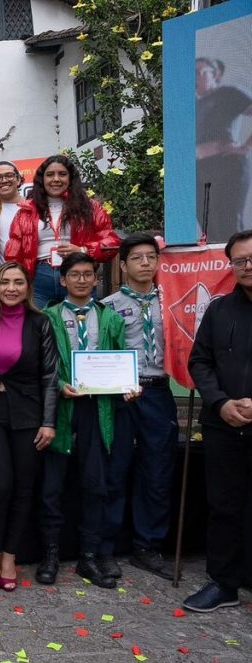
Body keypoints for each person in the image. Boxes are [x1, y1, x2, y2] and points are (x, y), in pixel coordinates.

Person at [38, 252, 132, 590]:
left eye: (87, 274)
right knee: (52, 486)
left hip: (98, 410)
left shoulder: (111, 319)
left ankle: (88, 557)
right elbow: (40, 367)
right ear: (62, 280)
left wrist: (128, 386)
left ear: (96, 279)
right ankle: (49, 554)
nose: (81, 280)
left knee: (95, 485)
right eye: (74, 274)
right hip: (59, 411)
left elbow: (123, 361)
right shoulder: (46, 317)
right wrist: (59, 386)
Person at [0, 261, 57, 591]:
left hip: (29, 415)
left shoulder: (40, 323)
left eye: (18, 282)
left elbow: (50, 375)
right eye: (5, 281)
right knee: (0, 484)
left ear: (28, 288)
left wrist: (49, 421)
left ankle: (10, 555)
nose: (11, 288)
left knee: (23, 488)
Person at [101, 233, 178, 580]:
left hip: (157, 391)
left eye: (151, 257)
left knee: (157, 469)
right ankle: (109, 544)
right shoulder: (109, 306)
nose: (146, 263)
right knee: (115, 468)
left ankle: (148, 544)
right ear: (123, 264)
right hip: (122, 394)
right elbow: (101, 355)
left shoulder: (173, 301)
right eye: (137, 258)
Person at [184, 229, 252, 612]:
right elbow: (200, 361)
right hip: (223, 423)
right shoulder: (220, 309)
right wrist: (221, 402)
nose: (247, 266)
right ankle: (223, 582)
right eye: (240, 260)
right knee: (223, 505)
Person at [4, 155, 120, 308]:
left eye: (62, 174)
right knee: (41, 328)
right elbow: (13, 252)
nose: (56, 179)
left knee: (81, 326)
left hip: (78, 274)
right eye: (50, 174)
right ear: (42, 179)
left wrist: (83, 250)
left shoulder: (90, 207)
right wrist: (16, 280)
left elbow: (111, 243)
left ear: (71, 178)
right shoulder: (26, 210)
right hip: (39, 277)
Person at [196, 57, 252, 243]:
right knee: (208, 226)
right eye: (192, 73)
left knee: (229, 223)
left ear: (216, 75)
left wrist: (246, 147)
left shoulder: (227, 94)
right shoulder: (192, 105)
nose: (195, 78)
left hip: (228, 165)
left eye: (200, 72)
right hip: (201, 169)